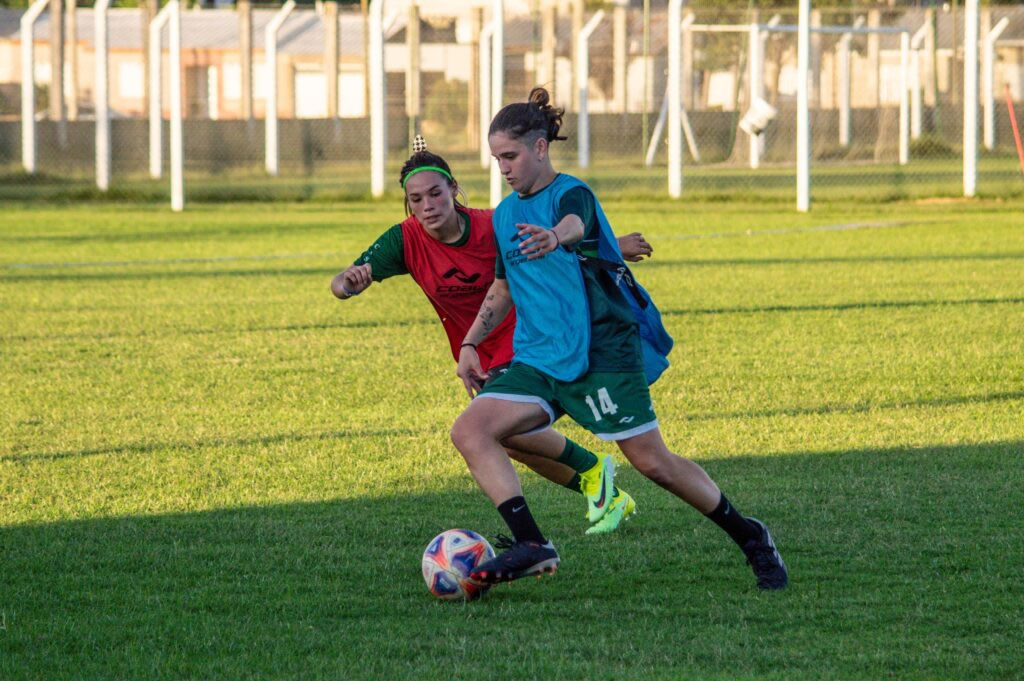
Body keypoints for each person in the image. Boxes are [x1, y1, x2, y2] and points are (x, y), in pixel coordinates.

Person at [451, 87, 789, 590]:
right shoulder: (503, 215)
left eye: (511, 155)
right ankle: (532, 544)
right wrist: (471, 344)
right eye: (497, 157)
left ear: (540, 148)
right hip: (540, 357)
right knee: (472, 431)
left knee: (654, 464)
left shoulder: (573, 194)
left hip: (600, 352)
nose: (503, 167)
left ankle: (751, 537)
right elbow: (503, 288)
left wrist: (554, 237)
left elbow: (573, 224)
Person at [330, 136, 655, 534]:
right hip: (476, 351)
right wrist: (349, 282)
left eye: (435, 193)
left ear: (454, 189)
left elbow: (556, 244)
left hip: (524, 338)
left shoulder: (490, 225)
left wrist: (615, 245)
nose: (427, 206)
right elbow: (339, 283)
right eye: (416, 199)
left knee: (485, 432)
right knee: (510, 441)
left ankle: (586, 479)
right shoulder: (404, 239)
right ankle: (597, 482)